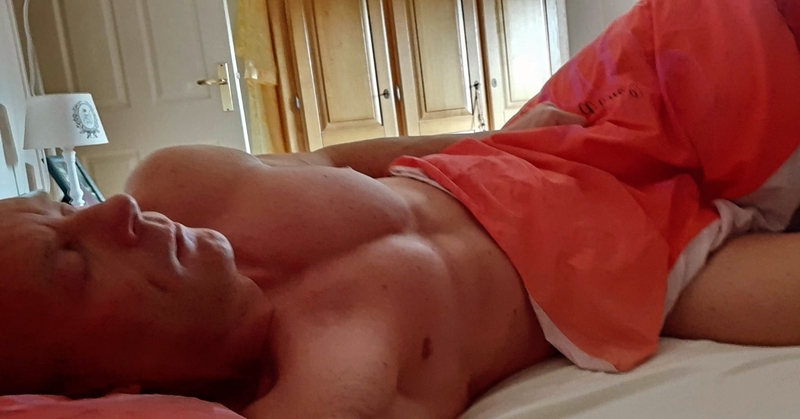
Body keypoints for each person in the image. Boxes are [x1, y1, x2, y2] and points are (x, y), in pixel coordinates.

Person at [3, 0, 800, 417]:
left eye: (59, 210)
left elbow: (335, 159)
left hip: (555, 144)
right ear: (108, 387)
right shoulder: (322, 390)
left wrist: (496, 135)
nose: (112, 213)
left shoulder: (181, 179)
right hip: (629, 277)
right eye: (71, 261)